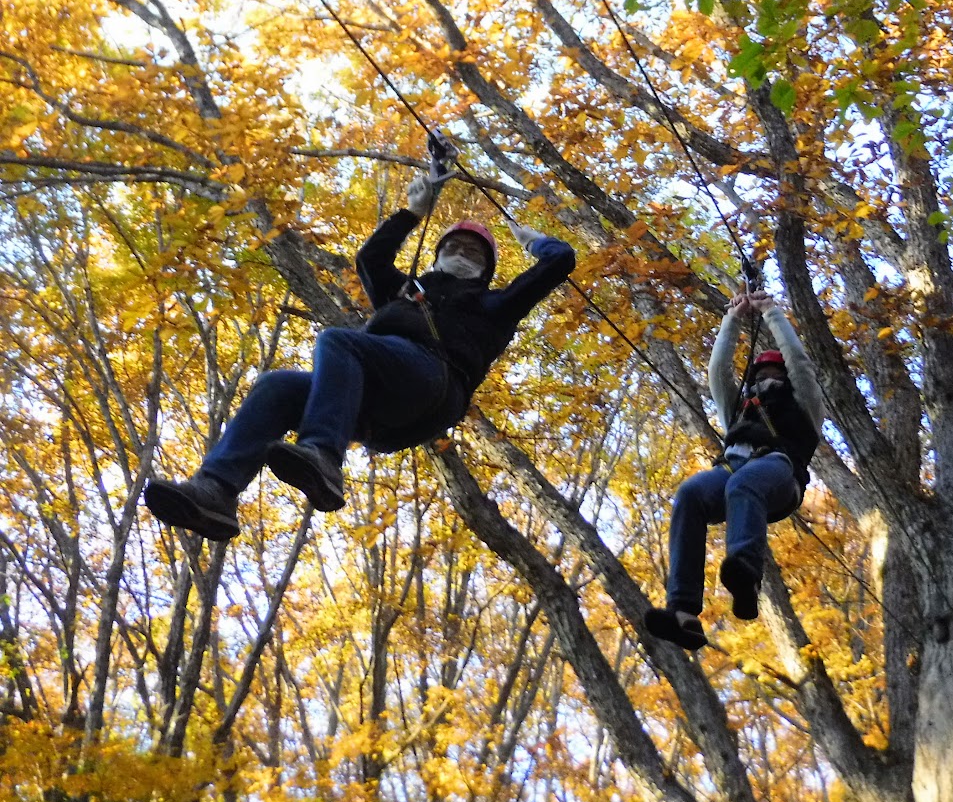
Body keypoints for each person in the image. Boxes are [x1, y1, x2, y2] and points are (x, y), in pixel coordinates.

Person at [144, 170, 576, 541]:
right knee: (277, 386)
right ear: (438, 254)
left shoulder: (494, 306)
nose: (462, 254)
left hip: (434, 384)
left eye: (474, 253)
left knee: (339, 340)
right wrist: (413, 212)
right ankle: (216, 491)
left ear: (486, 270)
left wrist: (536, 242)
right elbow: (371, 258)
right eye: (454, 247)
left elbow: (560, 262)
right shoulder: (408, 292)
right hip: (377, 406)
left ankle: (324, 457)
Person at [644, 290, 824, 650]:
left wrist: (771, 312)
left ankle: (745, 574)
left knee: (744, 483)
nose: (767, 378)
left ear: (787, 378)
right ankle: (683, 612)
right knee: (690, 494)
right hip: (733, 469)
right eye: (761, 373)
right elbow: (718, 371)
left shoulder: (804, 406)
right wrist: (733, 318)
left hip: (779, 471)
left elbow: (800, 363)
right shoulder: (740, 410)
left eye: (775, 372)